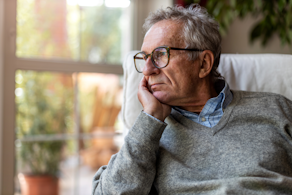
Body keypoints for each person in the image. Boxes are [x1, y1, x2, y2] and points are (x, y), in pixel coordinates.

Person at [92, 4, 292, 195]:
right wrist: (150, 118)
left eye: (160, 54)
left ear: (204, 63)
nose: (147, 70)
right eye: (144, 58)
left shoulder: (277, 108)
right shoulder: (146, 135)